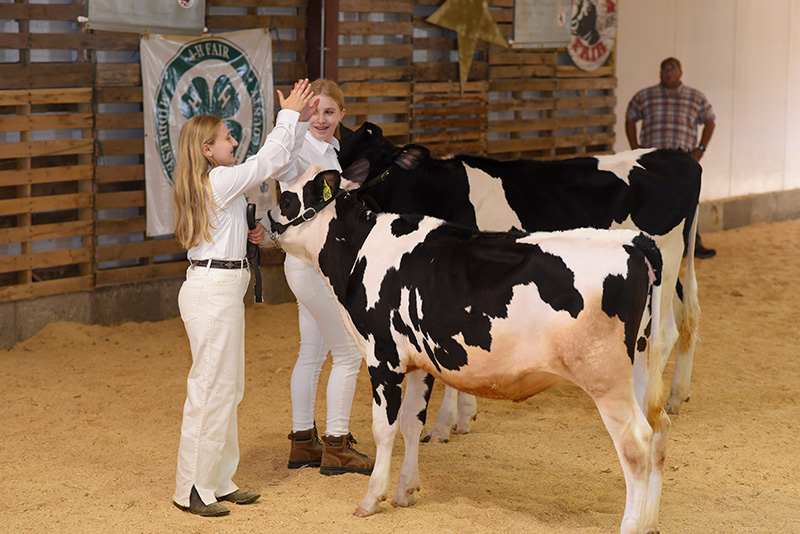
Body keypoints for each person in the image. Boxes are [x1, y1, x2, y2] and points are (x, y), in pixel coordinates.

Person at [172, 79, 316, 517]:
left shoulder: (217, 184)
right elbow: (266, 161)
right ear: (206, 149)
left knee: (228, 389)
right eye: (226, 137)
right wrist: (288, 115)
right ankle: (192, 489)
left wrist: (246, 235)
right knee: (210, 389)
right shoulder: (218, 180)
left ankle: (217, 480)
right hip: (212, 291)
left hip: (221, 287)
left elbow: (272, 163)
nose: (234, 141)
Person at [267, 78, 375, 476]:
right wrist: (292, 119)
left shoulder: (331, 149)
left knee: (311, 353)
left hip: (313, 266)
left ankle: (302, 442)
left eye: (330, 112)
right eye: (315, 111)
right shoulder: (300, 148)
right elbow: (280, 165)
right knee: (348, 352)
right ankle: (337, 446)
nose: (322, 119)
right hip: (309, 267)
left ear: (343, 116)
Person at [625, 56, 717, 259]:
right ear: (660, 73)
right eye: (664, 70)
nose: (668, 73)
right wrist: (635, 147)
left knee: (687, 200)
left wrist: (700, 149)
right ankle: (650, 242)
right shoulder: (645, 96)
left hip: (682, 160)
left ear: (680, 73)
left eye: (672, 69)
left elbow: (710, 120)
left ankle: (693, 244)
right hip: (653, 159)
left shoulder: (695, 97)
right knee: (651, 199)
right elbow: (630, 117)